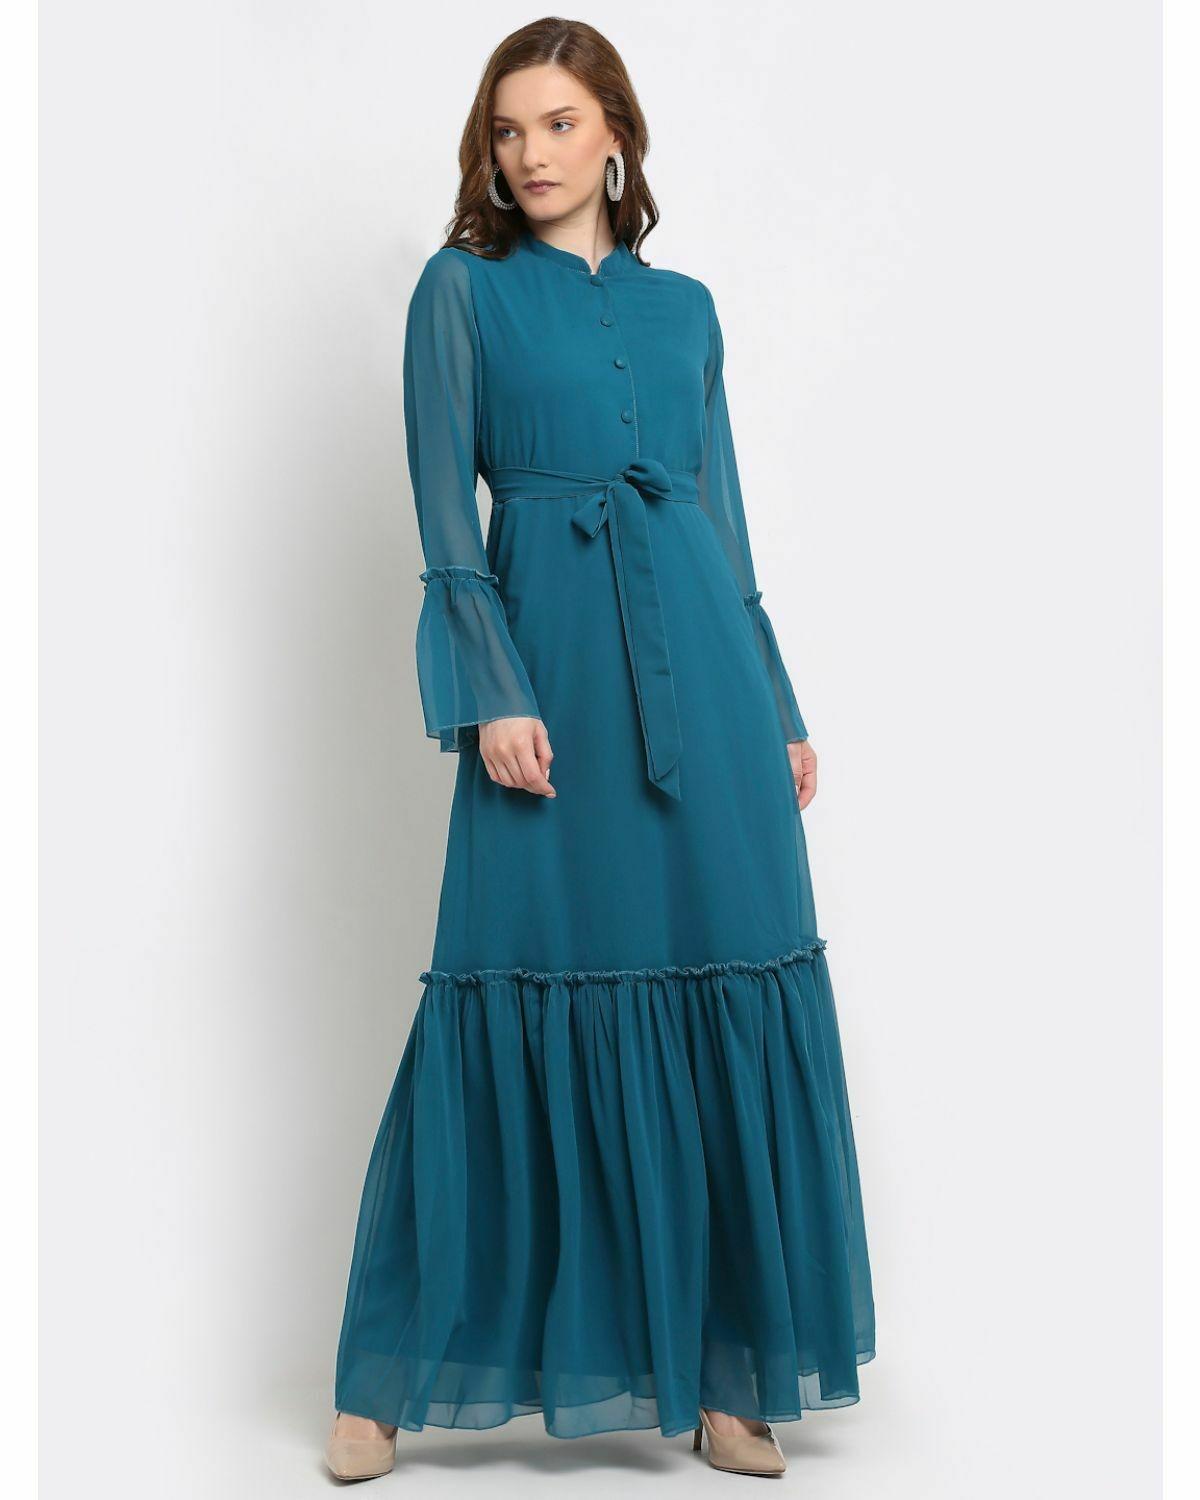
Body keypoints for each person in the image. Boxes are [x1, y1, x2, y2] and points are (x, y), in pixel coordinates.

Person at [326, 16, 875, 1481]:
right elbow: (446, 515)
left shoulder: (687, 308)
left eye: (560, 124)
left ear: (616, 134)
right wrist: (491, 689)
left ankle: (728, 1378)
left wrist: (778, 705)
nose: (531, 153)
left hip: (710, 691)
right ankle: (386, 1378)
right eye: (508, 130)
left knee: (723, 979)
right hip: (553, 680)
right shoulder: (462, 291)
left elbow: (722, 518)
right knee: (502, 982)